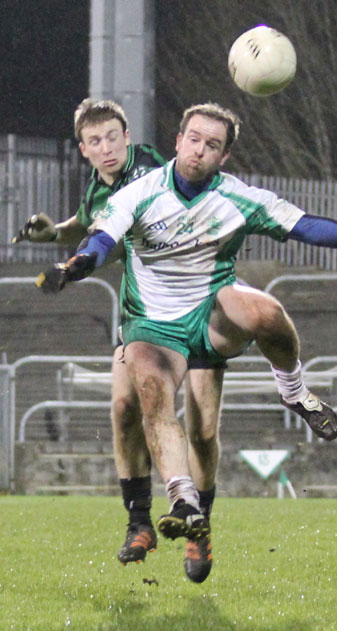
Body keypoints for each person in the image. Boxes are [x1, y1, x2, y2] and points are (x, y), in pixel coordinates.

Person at [35, 102, 337, 581]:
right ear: (179, 138)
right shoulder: (140, 192)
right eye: (194, 139)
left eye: (213, 145)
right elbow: (102, 238)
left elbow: (308, 225)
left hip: (210, 313)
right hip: (154, 324)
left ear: (224, 156)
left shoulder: (237, 197)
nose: (200, 150)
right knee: (148, 399)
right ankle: (182, 505)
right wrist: (76, 265)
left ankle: (293, 392)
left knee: (253, 339)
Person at [14, 98, 222, 583]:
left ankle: (199, 528)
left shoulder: (152, 169)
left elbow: (115, 228)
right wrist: (56, 234)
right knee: (124, 407)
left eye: (112, 137)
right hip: (143, 316)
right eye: (94, 141)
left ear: (129, 138)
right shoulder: (97, 189)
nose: (106, 148)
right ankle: (139, 524)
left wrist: (71, 255)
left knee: (204, 431)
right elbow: (94, 222)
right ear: (83, 150)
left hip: (198, 306)